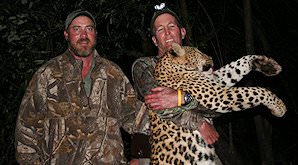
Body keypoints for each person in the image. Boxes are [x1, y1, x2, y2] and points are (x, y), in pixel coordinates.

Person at [14, 9, 143, 164]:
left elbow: (138, 119)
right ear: (66, 35)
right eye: (76, 29)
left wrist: (141, 157)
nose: (83, 35)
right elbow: (26, 131)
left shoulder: (113, 74)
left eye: (89, 29)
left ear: (95, 34)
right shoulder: (47, 74)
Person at [130, 3, 222, 164]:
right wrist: (199, 122)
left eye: (171, 26)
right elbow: (156, 101)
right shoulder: (144, 66)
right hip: (159, 150)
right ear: (154, 40)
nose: (167, 33)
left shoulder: (201, 68)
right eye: (160, 29)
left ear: (183, 32)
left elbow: (217, 107)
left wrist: (182, 98)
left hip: (200, 148)